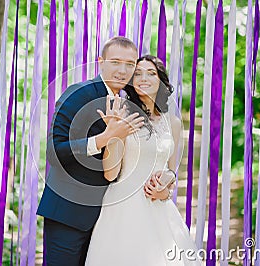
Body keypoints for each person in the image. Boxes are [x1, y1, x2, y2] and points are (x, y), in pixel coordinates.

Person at [37, 37, 145, 265]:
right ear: (100, 61)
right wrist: (104, 138)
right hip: (69, 213)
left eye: (130, 64)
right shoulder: (78, 93)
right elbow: (54, 152)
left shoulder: (127, 104)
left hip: (108, 219)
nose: (122, 70)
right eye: (115, 62)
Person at [85, 55, 201, 265]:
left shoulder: (173, 122)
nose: (143, 78)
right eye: (137, 73)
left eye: (151, 73)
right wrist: (113, 133)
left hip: (159, 206)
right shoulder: (121, 114)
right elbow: (111, 174)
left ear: (161, 81)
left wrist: (165, 188)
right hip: (123, 207)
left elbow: (171, 170)